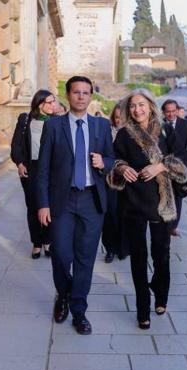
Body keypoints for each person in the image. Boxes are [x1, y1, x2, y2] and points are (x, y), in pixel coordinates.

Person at [36, 76, 115, 335]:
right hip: (63, 200)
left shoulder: (102, 126)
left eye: (85, 93)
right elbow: (43, 169)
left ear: (90, 96)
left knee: (85, 257)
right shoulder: (54, 126)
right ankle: (63, 294)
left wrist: (105, 162)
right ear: (67, 95)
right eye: (76, 92)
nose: (81, 97)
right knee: (61, 254)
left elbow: (113, 158)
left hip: (92, 200)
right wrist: (43, 204)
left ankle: (79, 309)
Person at [108, 89, 187, 329]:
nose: (137, 110)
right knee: (139, 257)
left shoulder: (165, 129)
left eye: (141, 105)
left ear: (150, 106)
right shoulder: (124, 134)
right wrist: (122, 168)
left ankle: (160, 295)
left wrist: (160, 167)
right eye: (132, 106)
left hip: (161, 200)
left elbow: (181, 159)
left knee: (161, 253)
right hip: (134, 200)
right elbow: (114, 159)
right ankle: (142, 308)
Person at [11, 90, 56, 259]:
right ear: (39, 104)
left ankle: (48, 241)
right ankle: (36, 243)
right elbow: (16, 145)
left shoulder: (57, 121)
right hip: (31, 168)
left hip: (51, 170)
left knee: (49, 205)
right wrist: (19, 163)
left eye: (54, 102)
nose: (53, 105)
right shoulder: (25, 120)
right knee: (33, 207)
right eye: (49, 102)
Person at [161, 99, 187, 236]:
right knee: (164, 194)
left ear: (177, 110)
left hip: (180, 167)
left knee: (178, 195)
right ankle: (164, 222)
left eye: (173, 111)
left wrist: (186, 162)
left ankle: (173, 225)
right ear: (164, 112)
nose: (170, 114)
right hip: (163, 167)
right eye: (168, 111)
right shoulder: (159, 125)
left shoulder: (186, 125)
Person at [101, 103, 124, 263]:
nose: (118, 121)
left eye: (121, 118)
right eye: (116, 117)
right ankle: (110, 248)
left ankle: (123, 247)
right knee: (110, 215)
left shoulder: (133, 133)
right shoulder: (106, 132)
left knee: (125, 217)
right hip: (110, 181)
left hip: (130, 182)